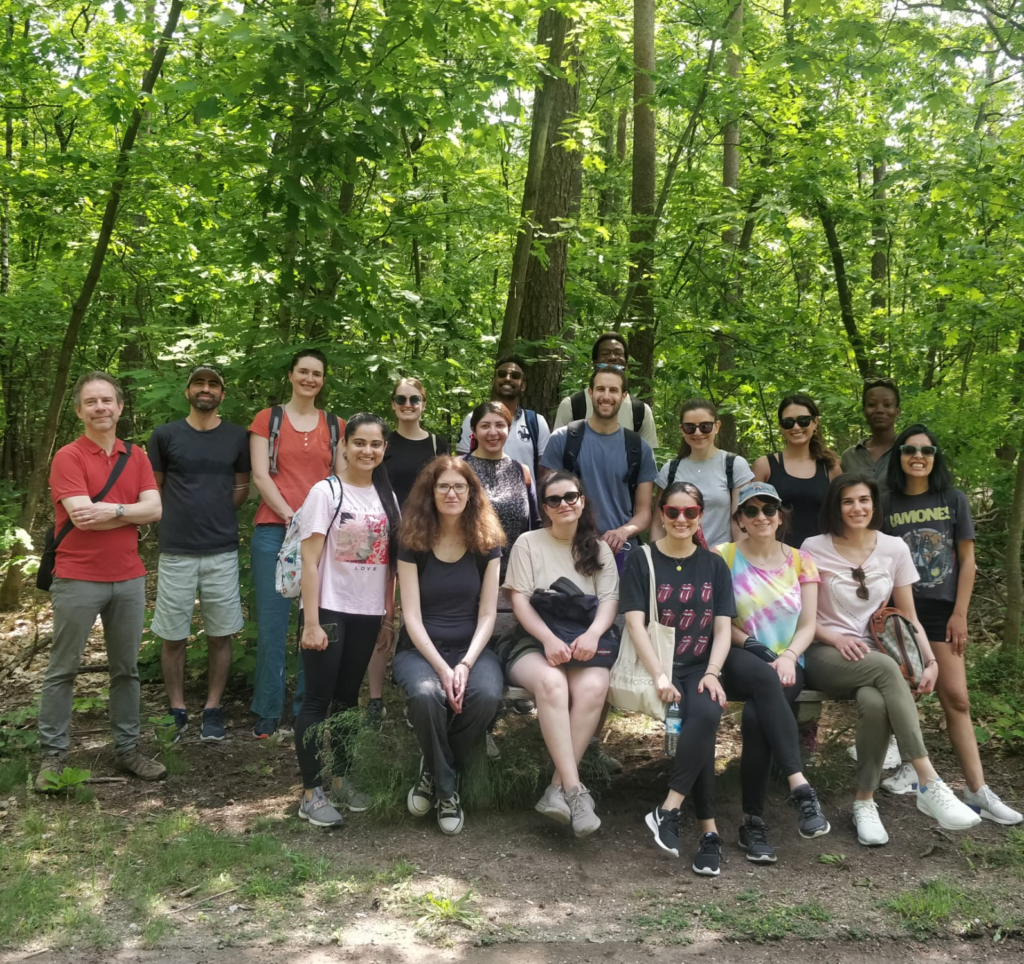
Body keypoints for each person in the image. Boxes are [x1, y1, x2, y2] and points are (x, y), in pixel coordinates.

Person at [801, 474, 982, 845]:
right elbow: (800, 617)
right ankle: (928, 780)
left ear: (874, 504)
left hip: (876, 653)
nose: (857, 508)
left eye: (864, 500)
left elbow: (908, 614)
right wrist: (834, 637)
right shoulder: (812, 548)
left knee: (874, 700)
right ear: (836, 507)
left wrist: (929, 660)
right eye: (848, 501)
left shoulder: (894, 548)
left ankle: (864, 802)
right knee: (884, 669)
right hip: (823, 653)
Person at [881, 426, 1021, 824]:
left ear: (937, 456)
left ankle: (977, 790)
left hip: (943, 611)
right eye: (909, 449)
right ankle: (914, 771)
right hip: (899, 610)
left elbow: (968, 562)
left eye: (926, 450)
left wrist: (961, 613)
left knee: (956, 697)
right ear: (900, 455)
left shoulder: (953, 500)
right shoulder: (886, 501)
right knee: (905, 696)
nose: (918, 456)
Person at [35, 372, 166, 791]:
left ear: (120, 407)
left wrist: (110, 511)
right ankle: (52, 756)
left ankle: (128, 748)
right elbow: (80, 517)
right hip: (77, 576)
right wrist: (129, 510)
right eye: (91, 402)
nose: (100, 408)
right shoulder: (68, 457)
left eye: (107, 400)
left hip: (128, 578)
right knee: (63, 669)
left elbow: (156, 509)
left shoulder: (137, 456)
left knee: (126, 669)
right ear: (79, 410)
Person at [712, 481, 831, 863]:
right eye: (751, 510)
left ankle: (753, 822)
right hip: (736, 654)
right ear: (740, 520)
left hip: (788, 662)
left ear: (780, 516)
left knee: (755, 715)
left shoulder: (801, 561)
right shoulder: (723, 557)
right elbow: (718, 622)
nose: (760, 516)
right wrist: (757, 648)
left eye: (768, 509)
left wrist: (789, 655)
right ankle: (800, 787)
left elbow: (809, 623)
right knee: (763, 678)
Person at [621, 483, 735, 876]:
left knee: (706, 713)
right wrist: (659, 675)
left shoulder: (714, 564)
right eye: (673, 512)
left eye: (690, 513)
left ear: (701, 515)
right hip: (663, 664)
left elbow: (723, 629)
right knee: (695, 724)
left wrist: (713, 673)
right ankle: (709, 832)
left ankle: (669, 810)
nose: (681, 520)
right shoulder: (642, 558)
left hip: (700, 667)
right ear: (661, 514)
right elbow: (635, 623)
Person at [499, 471, 620, 837]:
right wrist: (549, 639)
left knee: (593, 687)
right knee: (552, 685)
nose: (564, 504)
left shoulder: (598, 549)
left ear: (582, 501)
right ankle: (574, 791)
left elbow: (610, 600)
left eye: (571, 496)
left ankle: (557, 788)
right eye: (554, 500)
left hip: (585, 639)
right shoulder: (528, 543)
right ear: (545, 508)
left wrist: (594, 634)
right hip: (533, 641)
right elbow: (518, 599)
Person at [293, 414, 400, 828]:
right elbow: (309, 557)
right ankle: (310, 791)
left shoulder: (386, 497)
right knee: (317, 700)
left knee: (346, 700)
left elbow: (389, 567)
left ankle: (340, 778)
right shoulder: (325, 492)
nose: (367, 451)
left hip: (368, 612)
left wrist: (388, 618)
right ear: (344, 445)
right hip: (330, 610)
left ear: (384, 449)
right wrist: (311, 621)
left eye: (375, 444)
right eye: (359, 443)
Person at [393, 457, 506, 835]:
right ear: (430, 492)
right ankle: (447, 790)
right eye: (443, 486)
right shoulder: (412, 541)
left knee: (487, 695)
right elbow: (410, 616)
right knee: (427, 695)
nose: (452, 493)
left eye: (460, 486)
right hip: (420, 651)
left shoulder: (487, 544)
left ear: (472, 493)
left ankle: (432, 761)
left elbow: (488, 615)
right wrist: (443, 669)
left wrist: (465, 665)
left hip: (471, 650)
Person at [148, 364, 251, 744]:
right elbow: (153, 490)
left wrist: (218, 512)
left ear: (222, 394)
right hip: (176, 550)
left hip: (221, 550)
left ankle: (212, 708)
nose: (205, 389)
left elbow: (242, 486)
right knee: (172, 635)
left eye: (213, 384)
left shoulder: (238, 437)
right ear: (187, 391)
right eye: (199, 383)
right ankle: (177, 709)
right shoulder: (165, 436)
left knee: (221, 634)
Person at [249, 349, 345, 739]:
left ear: (323, 380)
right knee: (273, 626)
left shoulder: (336, 425)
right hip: (275, 530)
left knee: (315, 622)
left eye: (317, 373)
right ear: (290, 375)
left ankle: (309, 707)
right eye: (303, 371)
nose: (309, 378)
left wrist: (315, 523)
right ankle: (267, 712)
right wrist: (293, 515)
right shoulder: (267, 420)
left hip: (321, 536)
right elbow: (259, 474)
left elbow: (340, 479)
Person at [367, 378, 452, 724]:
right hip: (384, 538)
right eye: (401, 399)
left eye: (414, 398)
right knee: (382, 617)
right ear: (392, 404)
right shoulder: (381, 445)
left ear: (423, 403)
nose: (408, 404)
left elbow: (447, 489)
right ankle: (374, 699)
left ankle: (425, 687)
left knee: (425, 615)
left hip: (427, 540)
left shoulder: (437, 443)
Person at [542, 368, 657, 571]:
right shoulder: (562, 440)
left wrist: (623, 532)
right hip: (569, 549)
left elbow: (644, 512)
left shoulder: (639, 448)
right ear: (590, 393)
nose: (606, 396)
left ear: (623, 396)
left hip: (621, 551)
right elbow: (548, 502)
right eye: (600, 389)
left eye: (613, 390)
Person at [651, 398, 754, 549]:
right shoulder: (670, 469)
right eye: (690, 427)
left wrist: (738, 563)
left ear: (717, 426)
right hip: (676, 560)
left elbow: (740, 524)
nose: (698, 432)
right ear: (681, 429)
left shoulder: (735, 466)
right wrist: (655, 560)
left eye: (705, 426)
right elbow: (658, 525)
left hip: (721, 560)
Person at [752, 394, 841, 549]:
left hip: (822, 557)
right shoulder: (764, 466)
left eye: (803, 421)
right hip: (776, 558)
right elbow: (751, 515)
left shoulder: (830, 467)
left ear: (815, 422)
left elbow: (842, 516)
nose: (796, 427)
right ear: (781, 427)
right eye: (788, 423)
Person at [464, 401, 537, 582]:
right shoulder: (459, 470)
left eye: (499, 425)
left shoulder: (522, 471)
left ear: (509, 429)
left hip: (515, 577)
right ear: (473, 430)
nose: (493, 432)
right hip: (468, 575)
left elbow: (536, 525)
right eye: (485, 426)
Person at [553, 333, 658, 447]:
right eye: (605, 353)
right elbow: (557, 453)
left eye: (618, 353)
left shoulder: (641, 412)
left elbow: (647, 457)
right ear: (595, 363)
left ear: (626, 364)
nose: (612, 357)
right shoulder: (572, 406)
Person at [456, 355, 550, 478]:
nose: (507, 378)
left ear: (523, 386)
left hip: (524, 495)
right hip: (481, 496)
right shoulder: (473, 419)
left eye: (515, 376)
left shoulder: (537, 422)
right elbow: (461, 465)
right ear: (493, 381)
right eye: (501, 374)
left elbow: (544, 471)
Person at [840, 378, 900, 494]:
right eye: (872, 405)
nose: (879, 410)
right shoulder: (850, 457)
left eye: (887, 405)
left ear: (897, 411)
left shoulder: (908, 451)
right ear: (864, 411)